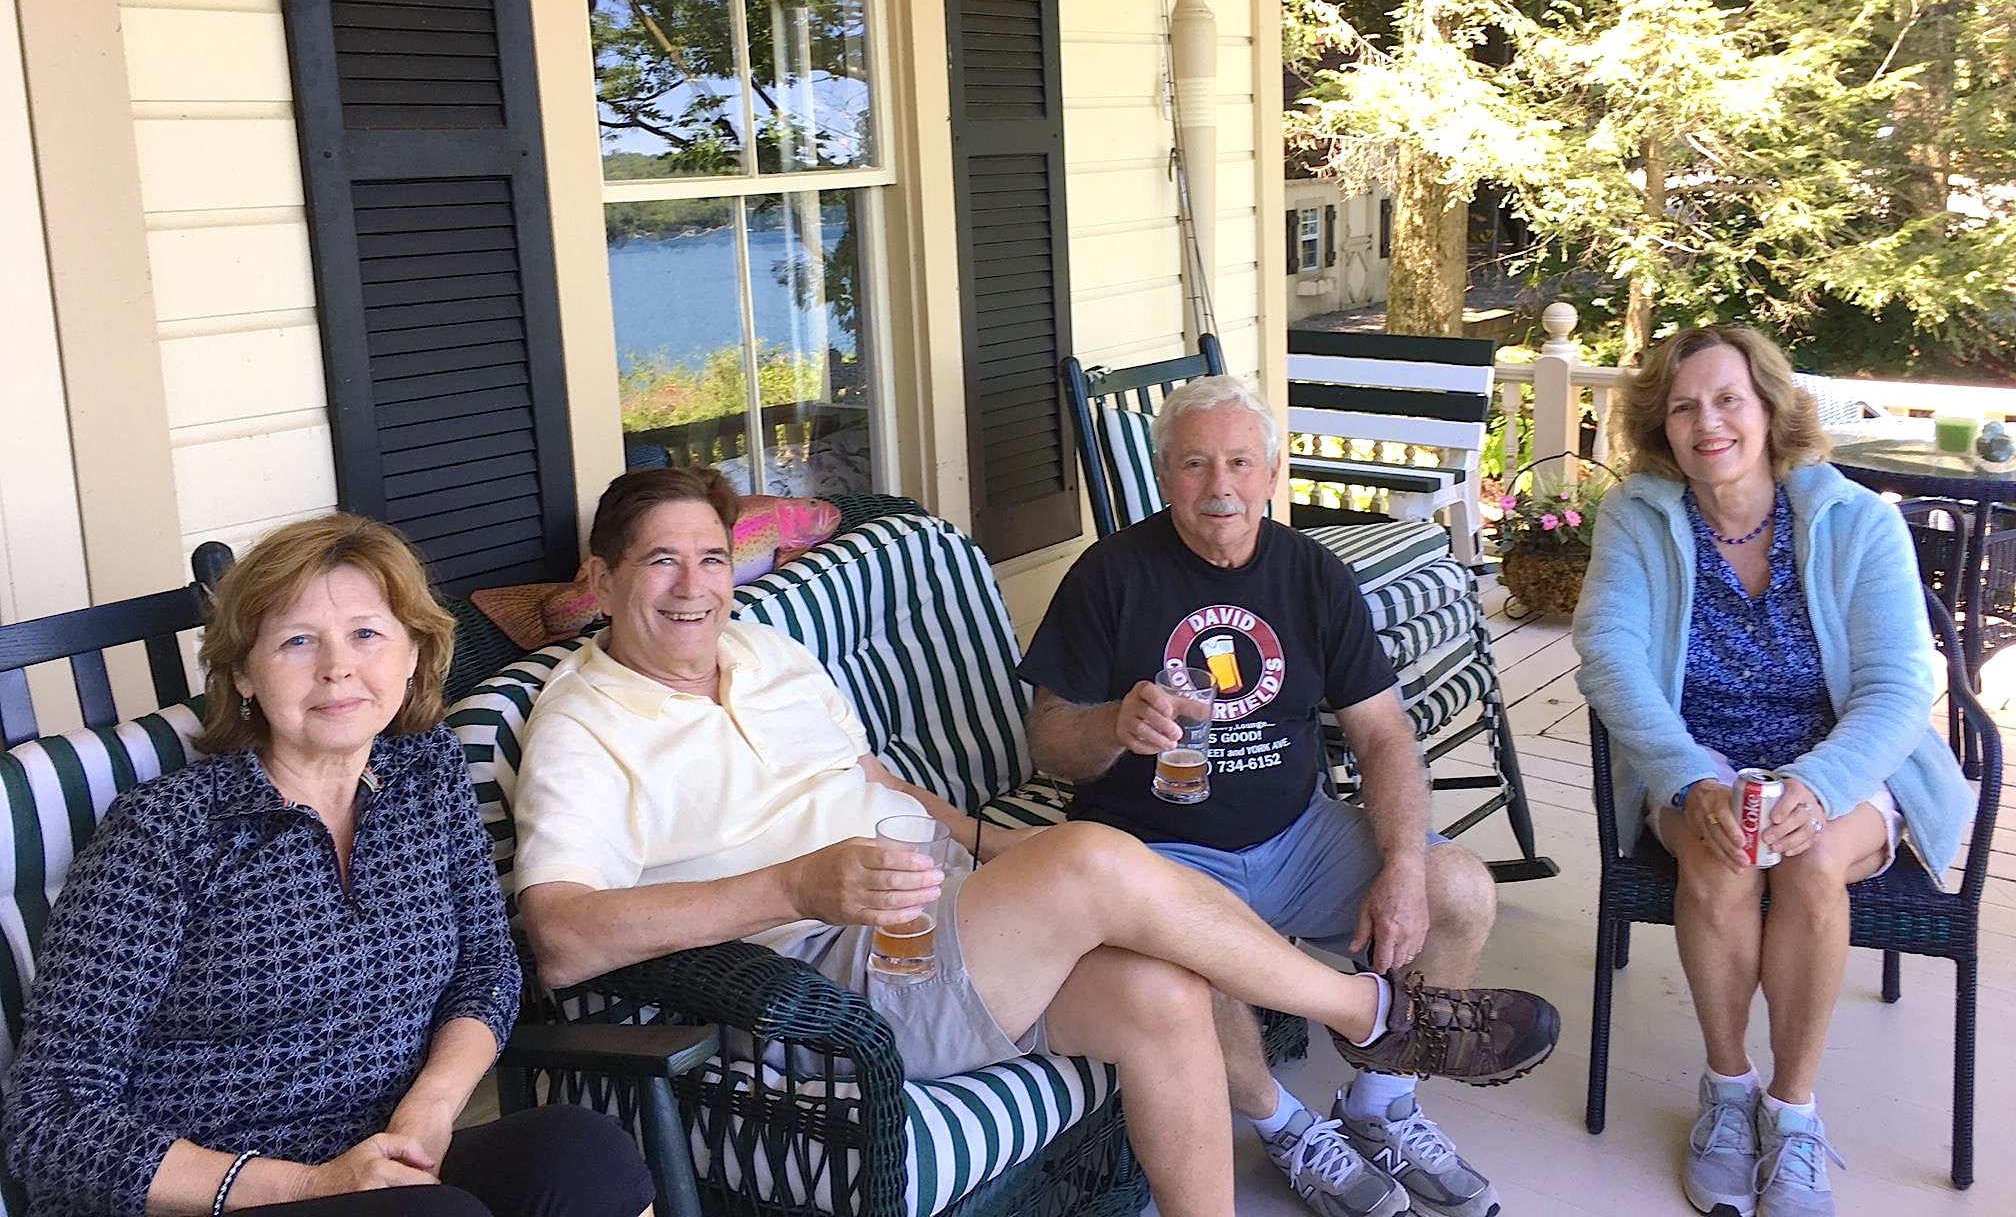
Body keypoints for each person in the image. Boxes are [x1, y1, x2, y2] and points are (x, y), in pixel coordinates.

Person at [510, 468, 1561, 1217]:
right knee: (1097, 850)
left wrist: (974, 841)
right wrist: (791, 884)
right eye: (660, 563)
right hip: (833, 986)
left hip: (950, 920)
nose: (695, 585)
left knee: (1163, 994)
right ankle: (1371, 1013)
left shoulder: (765, 649)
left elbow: (876, 788)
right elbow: (559, 940)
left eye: (710, 557)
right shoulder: (583, 726)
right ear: (601, 580)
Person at [3, 515, 654, 1217]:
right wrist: (313, 1184)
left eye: (366, 633)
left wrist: (429, 1112)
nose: (337, 666)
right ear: (244, 674)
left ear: (414, 653)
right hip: (206, 1192)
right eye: (297, 641)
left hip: (381, 1162)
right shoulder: (166, 831)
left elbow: (485, 967)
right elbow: (50, 1115)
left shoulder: (426, 772)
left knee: (586, 1153)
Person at [1021, 375, 1521, 1217]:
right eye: (1194, 465)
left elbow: (1385, 734)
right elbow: (1048, 740)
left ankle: (1381, 1101)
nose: (1220, 487)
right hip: (1160, 852)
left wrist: (1402, 864)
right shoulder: (1110, 576)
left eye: (1239, 463)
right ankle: (1284, 1124)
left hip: (1297, 833)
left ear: (1272, 472)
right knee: (1192, 950)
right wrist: (1112, 724)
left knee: (1459, 890)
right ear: (1163, 475)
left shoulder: (1311, 574)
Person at [1574, 325, 1975, 1217]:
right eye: (1683, 407)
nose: (1706, 422)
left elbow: (1902, 682)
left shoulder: (1857, 520)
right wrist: (1689, 777)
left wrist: (1820, 787)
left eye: (1728, 400)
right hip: (1699, 757)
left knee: (1809, 857)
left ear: (1769, 410)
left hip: (1844, 757)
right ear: (1661, 426)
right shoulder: (1639, 515)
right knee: (1718, 855)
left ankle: (1792, 1113)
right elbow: (1609, 657)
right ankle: (1727, 1089)